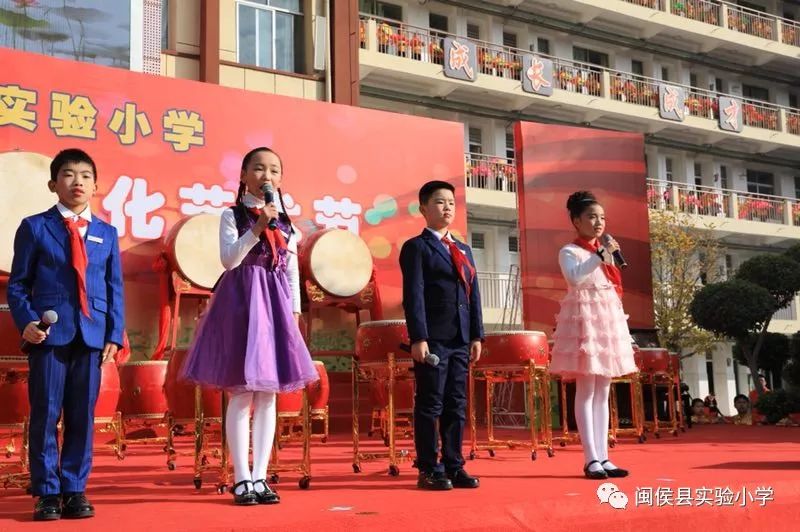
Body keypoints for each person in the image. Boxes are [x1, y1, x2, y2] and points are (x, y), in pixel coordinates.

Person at [180, 147, 318, 505]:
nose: (266, 175)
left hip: (274, 307)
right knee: (242, 391)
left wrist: (294, 311)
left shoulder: (287, 223)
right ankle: (241, 478)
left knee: (269, 394)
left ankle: (261, 477)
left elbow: (289, 270)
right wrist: (257, 227)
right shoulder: (233, 216)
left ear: (281, 179)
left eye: (274, 169)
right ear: (244, 175)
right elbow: (230, 260)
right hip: (241, 302)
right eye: (258, 168)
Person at [7, 149, 125, 521]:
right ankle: (46, 492)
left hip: (91, 336)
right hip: (49, 337)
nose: (78, 182)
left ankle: (75, 489)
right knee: (45, 413)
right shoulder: (35, 227)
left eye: (86, 175)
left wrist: (114, 333)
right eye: (69, 175)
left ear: (96, 185)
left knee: (82, 416)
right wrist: (26, 320)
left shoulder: (106, 233)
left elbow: (114, 287)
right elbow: (18, 285)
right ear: (53, 183)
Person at [399, 180, 483, 491]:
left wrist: (477, 335)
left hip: (460, 338)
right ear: (423, 209)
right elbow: (414, 295)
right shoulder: (417, 247)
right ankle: (428, 468)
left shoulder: (463, 249)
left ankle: (453, 464)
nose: (446, 207)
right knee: (430, 404)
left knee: (456, 404)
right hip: (433, 339)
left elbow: (473, 294)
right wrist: (418, 337)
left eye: (450, 202)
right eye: (438, 202)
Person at [550, 191, 637, 480]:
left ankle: (605, 456)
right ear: (576, 221)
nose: (598, 222)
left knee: (604, 390)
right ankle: (590, 459)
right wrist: (599, 255)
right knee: (586, 388)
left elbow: (613, 286)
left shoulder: (604, 252)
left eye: (602, 218)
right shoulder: (569, 251)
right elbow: (575, 279)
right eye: (591, 217)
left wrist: (604, 255)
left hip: (606, 319)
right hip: (584, 320)